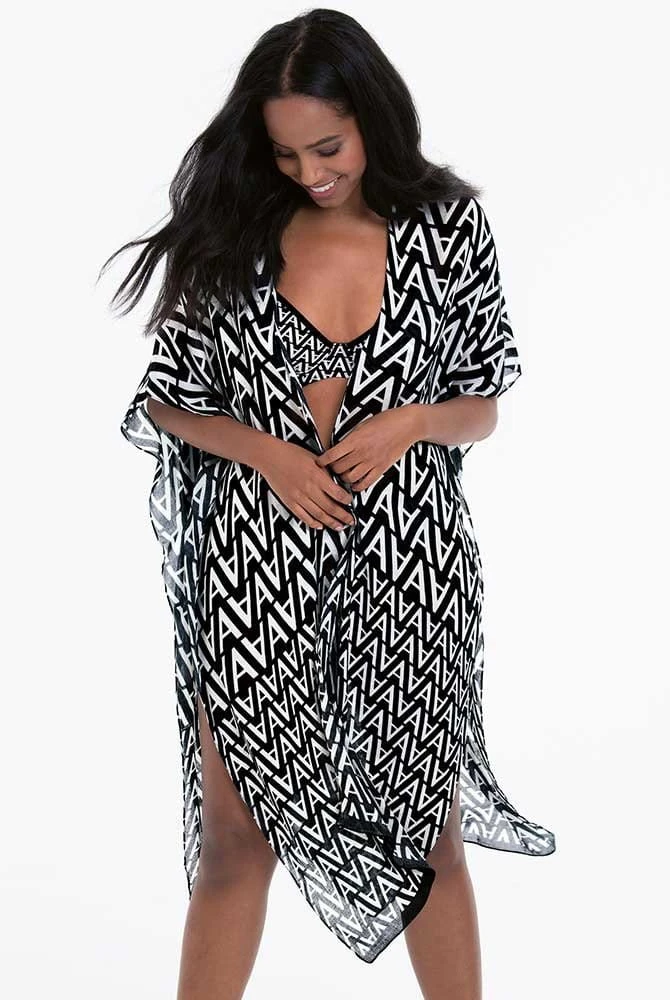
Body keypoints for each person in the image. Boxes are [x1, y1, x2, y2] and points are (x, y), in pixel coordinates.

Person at [102, 8, 556, 998]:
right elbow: (169, 403)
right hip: (252, 574)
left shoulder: (448, 230)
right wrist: (267, 452)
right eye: (284, 152)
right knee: (236, 838)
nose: (308, 172)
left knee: (426, 836)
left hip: (410, 570)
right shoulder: (237, 235)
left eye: (328, 147)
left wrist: (410, 422)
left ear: (372, 119)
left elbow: (481, 405)